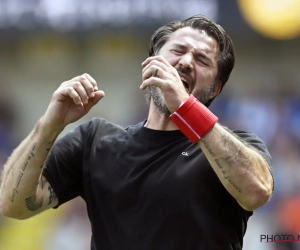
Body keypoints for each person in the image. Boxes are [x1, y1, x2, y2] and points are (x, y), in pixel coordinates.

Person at [0, 15, 274, 250]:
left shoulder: (234, 147)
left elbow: (256, 192)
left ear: (215, 89)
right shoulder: (96, 141)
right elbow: (14, 205)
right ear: (152, 62)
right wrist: (49, 125)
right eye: (177, 50)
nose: (187, 62)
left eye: (202, 60)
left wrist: (185, 107)